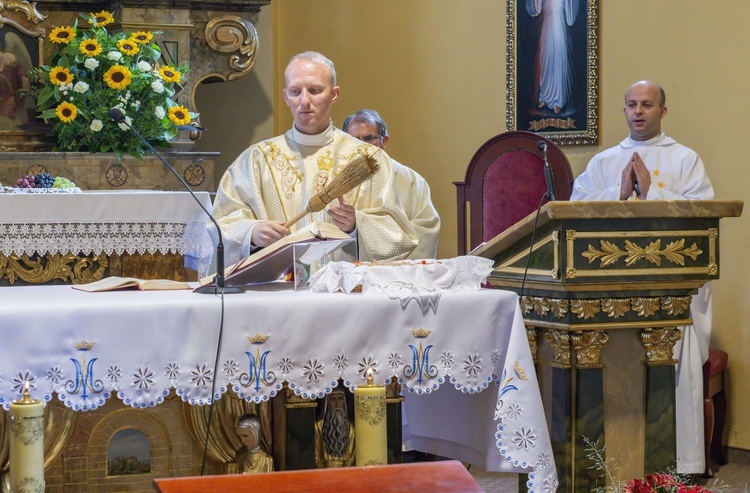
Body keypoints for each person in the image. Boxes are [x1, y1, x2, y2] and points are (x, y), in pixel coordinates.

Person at [571, 80, 714, 474]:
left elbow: (704, 216)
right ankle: (617, 458)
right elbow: (574, 207)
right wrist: (617, 194)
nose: (638, 111)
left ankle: (678, 464)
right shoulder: (602, 162)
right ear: (624, 110)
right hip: (613, 288)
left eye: (647, 105)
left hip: (671, 288)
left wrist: (652, 191)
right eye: (632, 104)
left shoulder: (686, 159)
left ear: (663, 111)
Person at [209, 52, 417, 268]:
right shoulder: (256, 160)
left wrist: (357, 225)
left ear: (334, 94)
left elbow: (399, 236)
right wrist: (251, 232)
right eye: (295, 92)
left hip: (345, 293)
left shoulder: (369, 159)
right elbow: (219, 225)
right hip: (278, 292)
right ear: (285, 96)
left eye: (315, 90)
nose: (304, 101)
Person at [343, 109, 441, 259]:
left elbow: (425, 229)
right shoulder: (335, 182)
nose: (362, 146)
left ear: (384, 141)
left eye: (369, 138)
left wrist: (360, 225)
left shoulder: (412, 181)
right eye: (354, 139)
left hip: (397, 274)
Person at [526, 0, 580, 115]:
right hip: (547, 20)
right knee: (545, 59)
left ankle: (557, 101)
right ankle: (544, 97)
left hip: (558, 22)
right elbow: (537, 5)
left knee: (557, 60)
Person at [314, 388, 355, 468]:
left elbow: (354, 456)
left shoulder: (352, 428)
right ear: (327, 403)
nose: (337, 404)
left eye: (340, 399)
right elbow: (316, 456)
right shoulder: (318, 426)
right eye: (333, 399)